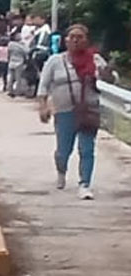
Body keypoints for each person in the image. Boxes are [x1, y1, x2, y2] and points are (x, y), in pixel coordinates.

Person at [36, 24, 116, 199]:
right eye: (72, 37)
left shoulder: (95, 60)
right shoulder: (55, 61)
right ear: (66, 40)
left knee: (86, 149)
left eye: (80, 37)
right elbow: (43, 85)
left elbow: (110, 81)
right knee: (63, 150)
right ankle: (61, 171)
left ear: (86, 40)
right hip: (64, 111)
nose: (76, 40)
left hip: (89, 110)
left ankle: (85, 184)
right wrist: (43, 106)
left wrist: (107, 73)